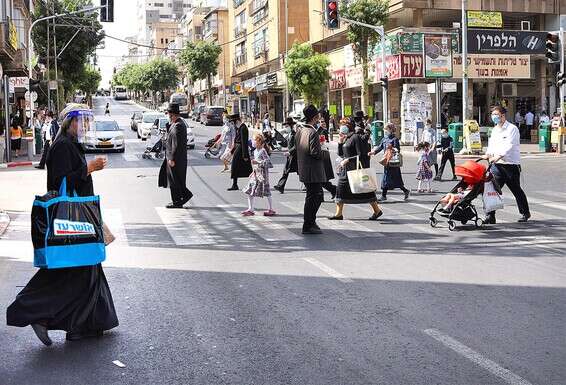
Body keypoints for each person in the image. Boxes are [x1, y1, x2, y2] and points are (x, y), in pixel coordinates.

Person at [7, 105, 118, 345]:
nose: (83, 127)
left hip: (80, 216)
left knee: (83, 270)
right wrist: (88, 168)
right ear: (69, 123)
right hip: (73, 219)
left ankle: (84, 324)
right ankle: (36, 312)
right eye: (80, 122)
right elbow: (59, 182)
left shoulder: (70, 143)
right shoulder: (62, 145)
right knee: (70, 270)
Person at [329, 116, 382, 221]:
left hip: (354, 169)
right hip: (346, 171)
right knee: (340, 189)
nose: (341, 128)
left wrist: (347, 160)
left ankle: (377, 210)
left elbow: (361, 154)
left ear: (349, 127)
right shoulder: (346, 138)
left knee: (366, 190)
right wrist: (340, 142)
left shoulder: (355, 137)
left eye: (343, 126)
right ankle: (338, 214)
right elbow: (341, 154)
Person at [483, 105, 530, 224]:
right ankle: (490, 216)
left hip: (510, 165)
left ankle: (525, 213)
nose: (494, 117)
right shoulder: (494, 130)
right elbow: (491, 145)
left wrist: (498, 156)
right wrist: (488, 154)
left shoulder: (512, 129)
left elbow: (509, 146)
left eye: (496, 115)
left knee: (516, 190)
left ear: (503, 116)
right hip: (497, 166)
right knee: (492, 191)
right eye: (493, 115)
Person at [295, 105, 326, 234]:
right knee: (314, 197)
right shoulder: (312, 132)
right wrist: (323, 152)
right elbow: (315, 153)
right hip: (313, 171)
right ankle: (308, 224)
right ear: (315, 117)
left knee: (314, 196)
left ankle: (311, 222)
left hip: (304, 169)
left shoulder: (301, 130)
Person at [158, 103, 192, 208]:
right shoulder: (175, 124)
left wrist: (172, 158)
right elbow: (170, 138)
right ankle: (177, 200)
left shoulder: (179, 125)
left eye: (169, 115)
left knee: (176, 181)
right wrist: (168, 126)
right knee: (173, 180)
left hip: (176, 159)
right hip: (172, 158)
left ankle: (182, 198)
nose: (168, 117)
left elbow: (176, 144)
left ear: (173, 115)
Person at [369, 122, 411, 201]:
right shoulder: (384, 139)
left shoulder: (394, 139)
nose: (385, 131)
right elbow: (380, 147)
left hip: (393, 161)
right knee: (385, 178)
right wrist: (373, 152)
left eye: (387, 129)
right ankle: (384, 196)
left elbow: (397, 149)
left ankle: (405, 191)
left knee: (396, 179)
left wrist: (392, 148)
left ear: (391, 130)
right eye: (385, 129)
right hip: (387, 161)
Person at [242, 134, 275, 216]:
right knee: (249, 190)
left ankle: (271, 209)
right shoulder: (255, 151)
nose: (253, 142)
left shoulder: (263, 151)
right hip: (256, 174)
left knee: (267, 192)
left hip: (262, 175)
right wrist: (253, 172)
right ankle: (251, 209)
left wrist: (258, 162)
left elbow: (269, 162)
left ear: (259, 141)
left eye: (254, 140)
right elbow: (254, 164)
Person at [228, 113, 252, 191]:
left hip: (241, 149)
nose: (233, 124)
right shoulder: (239, 128)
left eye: (233, 122)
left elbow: (244, 142)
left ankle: (253, 184)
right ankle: (235, 184)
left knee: (247, 169)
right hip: (238, 148)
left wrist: (245, 155)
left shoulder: (243, 128)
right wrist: (232, 150)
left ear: (237, 121)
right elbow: (236, 140)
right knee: (235, 167)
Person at [274, 117, 298, 194]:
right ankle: (280, 186)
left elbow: (296, 146)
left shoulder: (295, 134)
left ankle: (308, 185)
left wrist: (290, 152)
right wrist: (278, 142)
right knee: (286, 171)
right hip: (291, 156)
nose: (285, 127)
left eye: (287, 126)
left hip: (294, 156)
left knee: (300, 172)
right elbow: (287, 144)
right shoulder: (289, 134)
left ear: (291, 126)